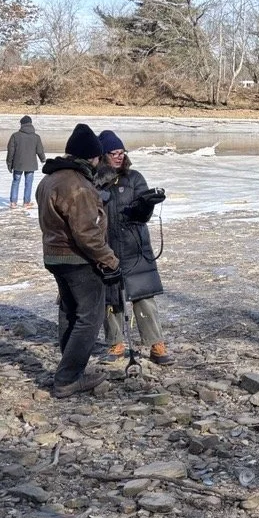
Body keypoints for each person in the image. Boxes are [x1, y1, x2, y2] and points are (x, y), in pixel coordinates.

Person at [36, 123, 121, 398]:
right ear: (91, 156)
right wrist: (109, 259)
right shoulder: (78, 185)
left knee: (70, 312)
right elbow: (87, 233)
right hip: (77, 259)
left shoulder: (50, 179)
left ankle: (69, 371)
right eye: (97, 157)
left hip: (54, 256)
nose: (100, 162)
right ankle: (67, 379)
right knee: (89, 317)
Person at [95, 130, 172, 366]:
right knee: (111, 298)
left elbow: (142, 215)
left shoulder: (135, 178)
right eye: (113, 153)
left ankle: (156, 344)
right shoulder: (94, 180)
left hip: (135, 245)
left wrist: (146, 205)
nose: (119, 157)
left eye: (121, 152)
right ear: (102, 155)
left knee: (144, 296)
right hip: (107, 245)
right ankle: (115, 343)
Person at [6, 115, 46, 210]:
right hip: (31, 164)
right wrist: (43, 159)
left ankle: (13, 202)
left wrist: (9, 163)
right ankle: (26, 202)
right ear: (31, 124)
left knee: (16, 182)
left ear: (22, 124)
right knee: (29, 183)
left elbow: (10, 151)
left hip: (18, 164)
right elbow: (40, 150)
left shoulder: (15, 136)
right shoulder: (36, 137)